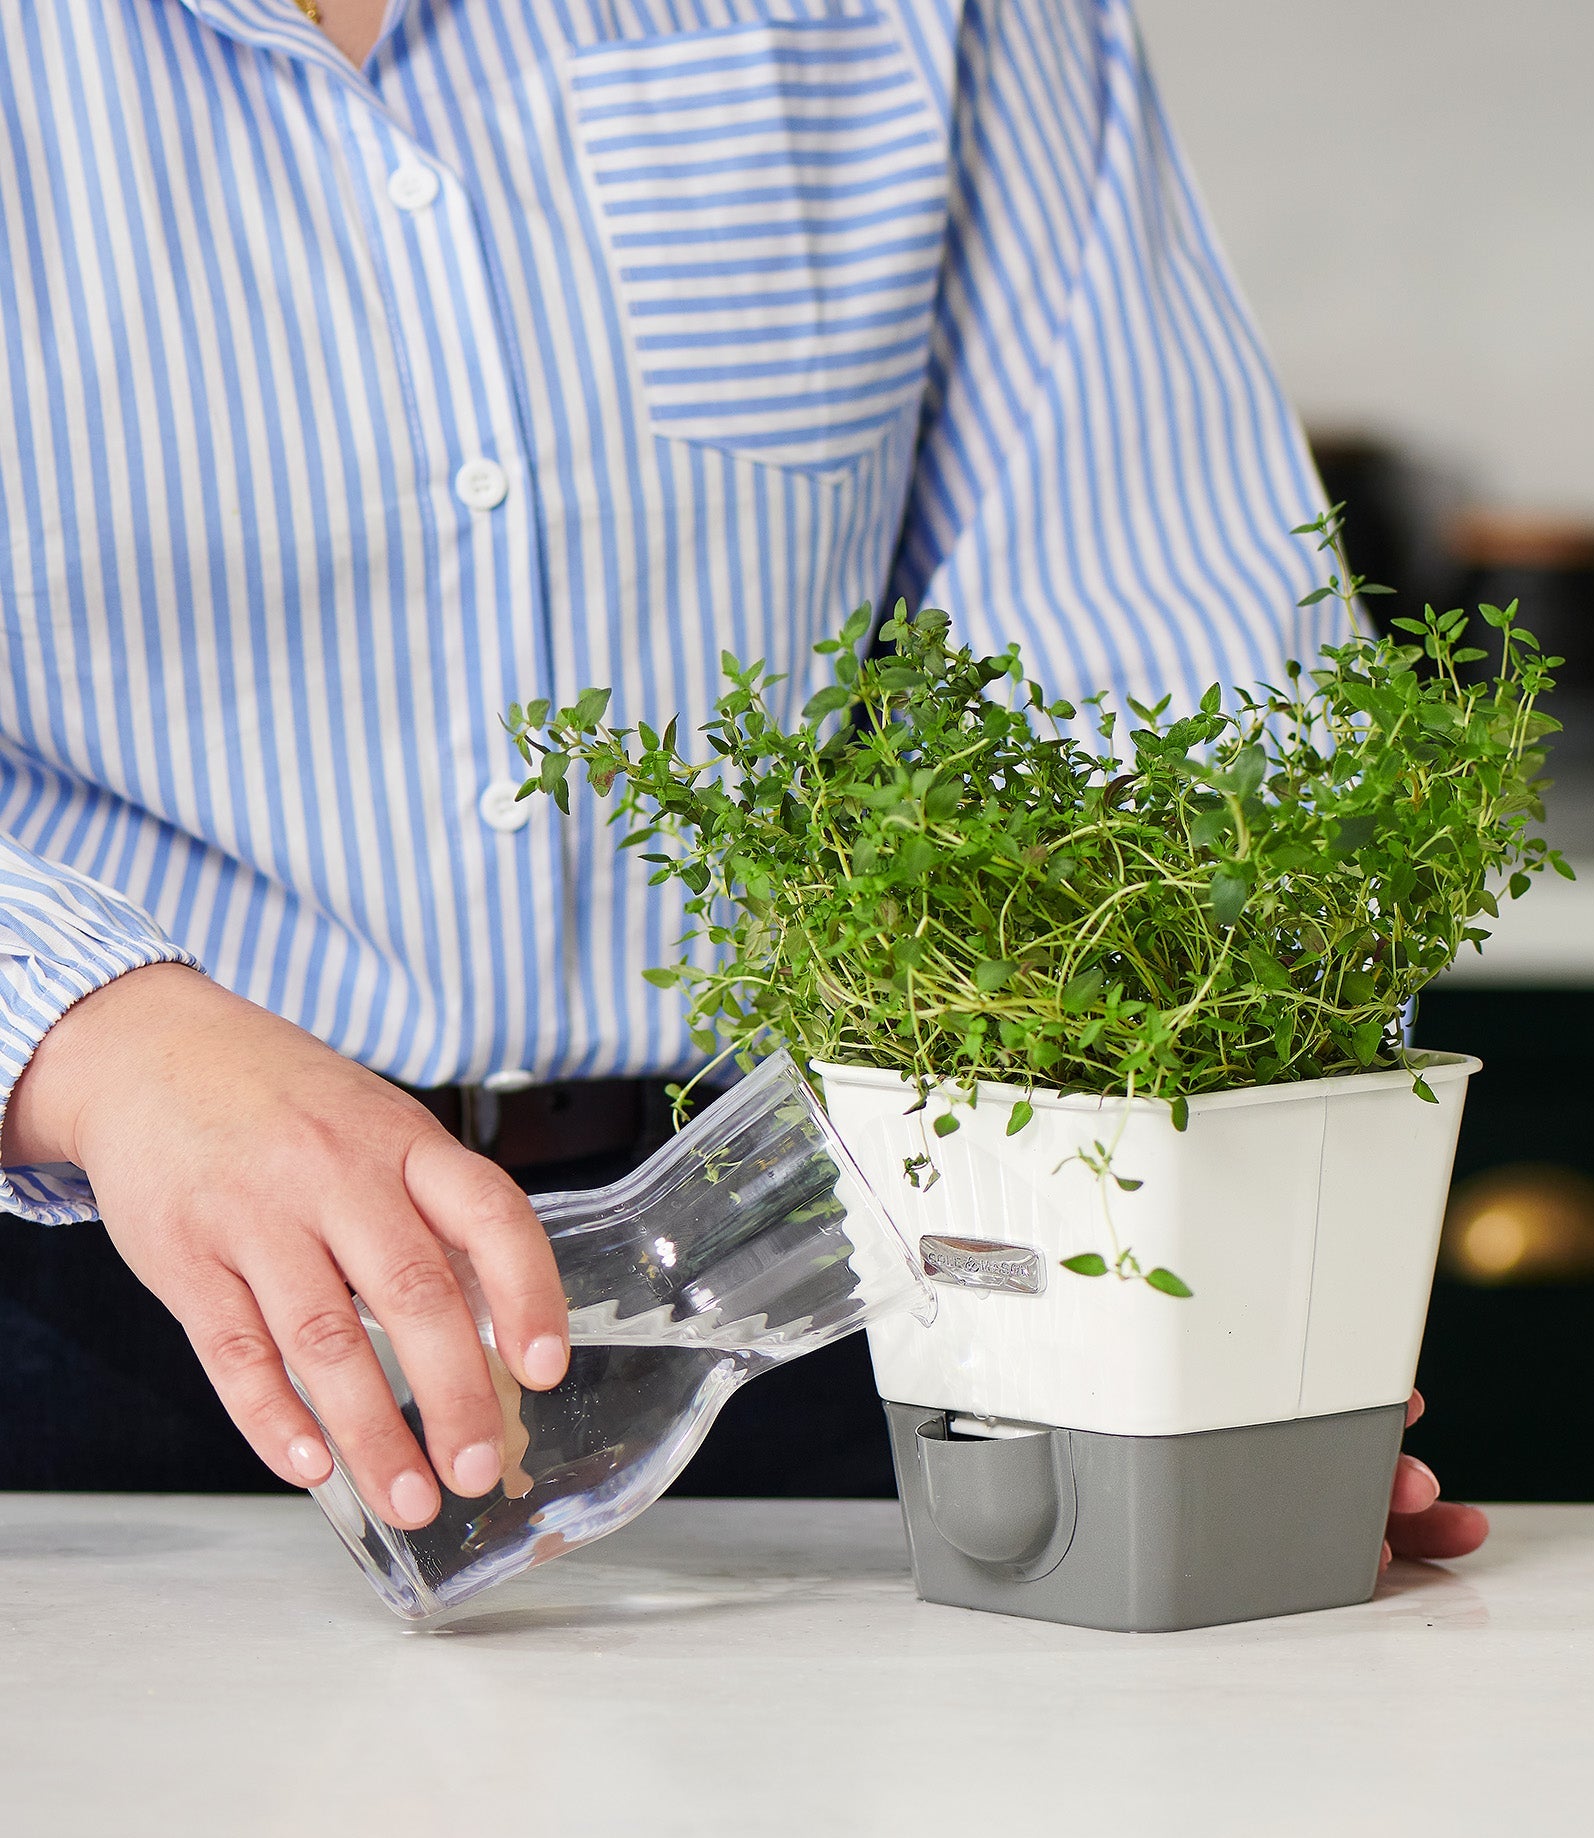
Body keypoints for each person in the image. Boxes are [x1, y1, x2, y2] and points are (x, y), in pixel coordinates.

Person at [0, 0, 1487, 1564]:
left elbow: (1150, 658)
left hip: (834, 1283)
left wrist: (1190, 1288)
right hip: (70, 1325)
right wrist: (97, 1036)